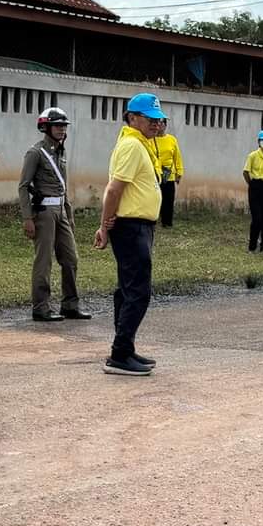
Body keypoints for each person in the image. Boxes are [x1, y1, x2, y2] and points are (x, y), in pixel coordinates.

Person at [93, 92, 165, 376]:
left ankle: (125, 347)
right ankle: (120, 353)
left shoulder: (139, 144)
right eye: (149, 118)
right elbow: (113, 190)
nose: (155, 125)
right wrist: (104, 225)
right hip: (131, 226)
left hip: (139, 226)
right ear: (132, 117)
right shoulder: (132, 146)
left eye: (158, 120)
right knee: (138, 291)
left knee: (128, 289)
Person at [21, 106, 88, 322]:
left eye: (63, 126)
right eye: (57, 126)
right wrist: (27, 218)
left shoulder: (61, 152)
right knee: (44, 261)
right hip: (44, 212)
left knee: (71, 259)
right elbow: (23, 186)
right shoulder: (36, 152)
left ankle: (70, 304)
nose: (61, 129)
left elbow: (65, 186)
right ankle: (41, 307)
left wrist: (69, 215)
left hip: (61, 210)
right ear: (46, 127)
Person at [152, 123, 184, 227]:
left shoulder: (172, 139)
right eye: (157, 124)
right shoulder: (150, 139)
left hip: (169, 174)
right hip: (155, 173)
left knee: (168, 199)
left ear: (165, 126)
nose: (159, 126)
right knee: (155, 199)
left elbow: (177, 157)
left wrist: (179, 172)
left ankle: (167, 222)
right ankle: (153, 220)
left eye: (162, 124)